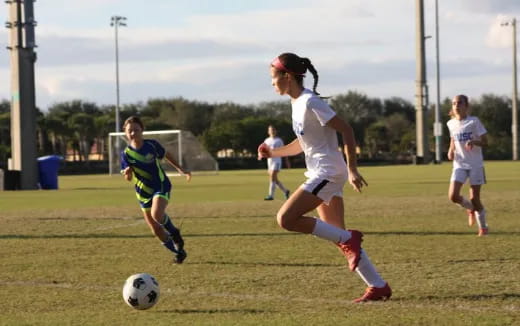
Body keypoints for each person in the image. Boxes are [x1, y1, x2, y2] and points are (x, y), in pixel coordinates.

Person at [258, 52, 391, 302]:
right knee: (336, 235)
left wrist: (352, 169)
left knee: (286, 218)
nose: (272, 83)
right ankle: (378, 286)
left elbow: (347, 130)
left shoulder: (310, 101)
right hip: (324, 172)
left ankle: (350, 238)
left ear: (287, 76)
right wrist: (272, 152)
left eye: (273, 78)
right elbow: (302, 143)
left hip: (327, 172)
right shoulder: (297, 103)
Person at [121, 116, 191, 264]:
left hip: (160, 185)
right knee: (156, 229)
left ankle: (175, 233)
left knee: (156, 214)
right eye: (129, 131)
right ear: (125, 133)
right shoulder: (125, 154)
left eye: (136, 130)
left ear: (142, 130)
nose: (133, 133)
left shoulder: (152, 145)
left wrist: (180, 169)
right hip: (142, 192)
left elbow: (167, 155)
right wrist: (128, 174)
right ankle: (179, 252)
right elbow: (128, 178)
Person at [447, 94, 489, 236]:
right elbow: (453, 139)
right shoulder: (450, 123)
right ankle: (470, 208)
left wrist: (474, 142)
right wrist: (450, 150)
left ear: (466, 106)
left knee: (474, 198)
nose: (456, 106)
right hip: (459, 164)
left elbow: (485, 142)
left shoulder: (474, 121)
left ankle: (483, 227)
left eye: (459, 103)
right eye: (454, 103)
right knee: (453, 196)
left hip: (475, 164)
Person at [260, 125, 291, 200]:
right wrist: (261, 154)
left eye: (273, 130)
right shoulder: (266, 140)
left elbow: (284, 151)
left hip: (277, 160)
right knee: (274, 179)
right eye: (270, 130)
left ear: (275, 131)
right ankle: (286, 191)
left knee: (272, 177)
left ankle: (271, 195)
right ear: (268, 132)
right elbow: (263, 150)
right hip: (270, 161)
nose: (272, 131)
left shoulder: (279, 140)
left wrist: (287, 161)